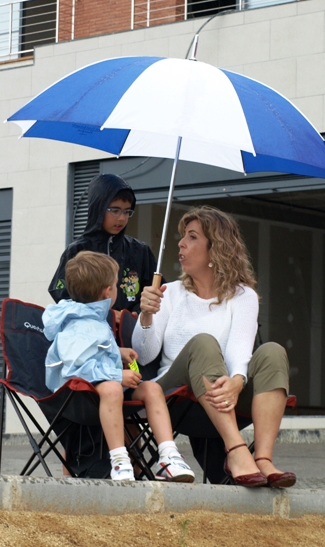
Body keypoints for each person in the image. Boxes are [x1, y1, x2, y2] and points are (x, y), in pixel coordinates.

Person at [134, 206, 296, 488]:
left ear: (216, 248)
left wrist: (237, 380)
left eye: (192, 237)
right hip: (176, 398)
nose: (181, 243)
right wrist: (146, 315)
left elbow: (240, 348)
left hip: (223, 397)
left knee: (273, 352)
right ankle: (235, 450)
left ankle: (263, 459)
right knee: (204, 343)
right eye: (183, 236)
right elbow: (145, 355)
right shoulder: (169, 292)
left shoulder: (243, 295)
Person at [43, 251, 195, 482]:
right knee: (113, 387)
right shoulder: (78, 323)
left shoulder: (94, 317)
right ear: (108, 292)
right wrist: (117, 374)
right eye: (115, 285)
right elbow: (75, 368)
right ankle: (119, 460)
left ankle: (168, 456)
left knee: (152, 388)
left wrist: (117, 353)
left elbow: (94, 351)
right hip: (77, 396)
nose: (117, 289)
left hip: (103, 387)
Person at [49, 173, 156, 314]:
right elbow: (63, 296)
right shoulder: (77, 251)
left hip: (131, 333)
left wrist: (132, 315)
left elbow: (154, 293)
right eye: (115, 210)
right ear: (98, 208)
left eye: (127, 211)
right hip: (88, 332)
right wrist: (107, 315)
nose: (122, 218)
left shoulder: (140, 251)